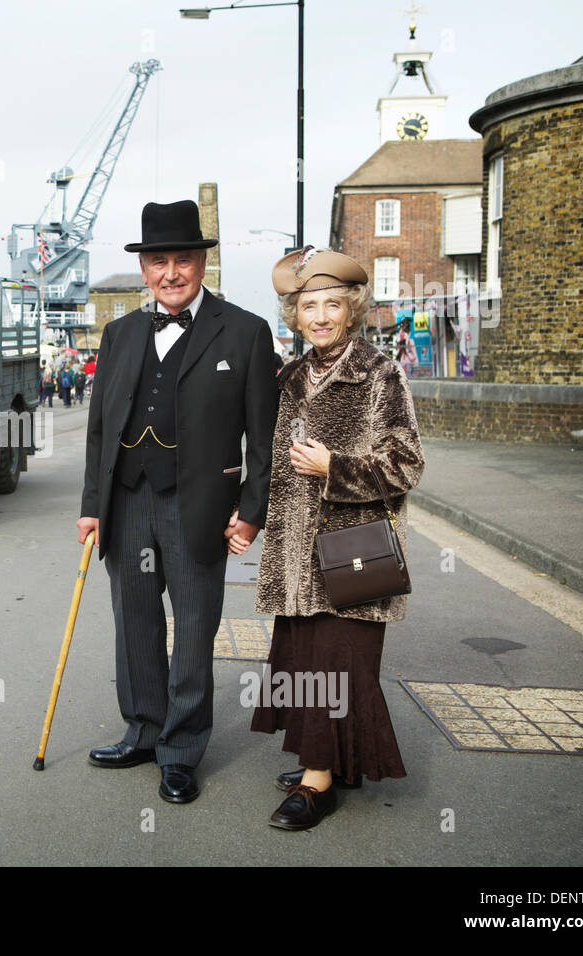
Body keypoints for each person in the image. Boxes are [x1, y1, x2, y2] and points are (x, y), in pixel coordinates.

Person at [77, 199, 277, 804]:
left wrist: (251, 511)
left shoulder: (245, 332)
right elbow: (97, 429)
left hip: (200, 506)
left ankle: (182, 750)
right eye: (158, 261)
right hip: (128, 501)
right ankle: (143, 729)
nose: (170, 273)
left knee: (193, 630)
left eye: (182, 260)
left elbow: (262, 437)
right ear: (143, 269)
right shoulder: (119, 333)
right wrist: (93, 504)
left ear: (201, 264)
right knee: (134, 623)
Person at [250, 246, 425, 830]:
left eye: (332, 305)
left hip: (355, 549)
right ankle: (323, 760)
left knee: (339, 662)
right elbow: (272, 466)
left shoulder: (379, 372)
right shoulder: (291, 377)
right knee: (303, 659)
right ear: (294, 316)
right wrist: (244, 516)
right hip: (294, 549)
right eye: (308, 306)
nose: (320, 316)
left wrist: (337, 468)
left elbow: (406, 464)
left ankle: (317, 782)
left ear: (352, 311)